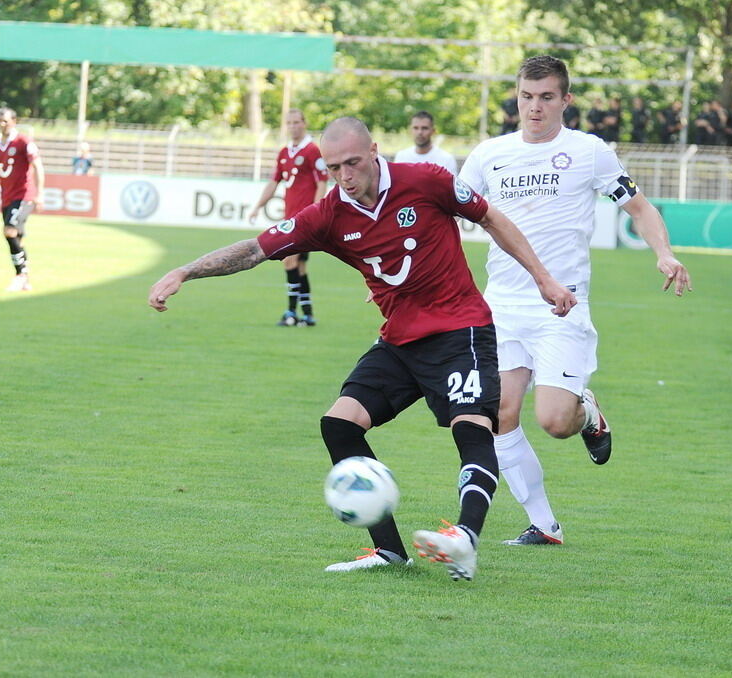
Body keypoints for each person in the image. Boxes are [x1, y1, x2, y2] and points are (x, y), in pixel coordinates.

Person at [149, 116, 577, 581]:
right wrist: (185, 271)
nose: (345, 176)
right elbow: (256, 249)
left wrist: (544, 278)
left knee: (472, 426)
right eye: (333, 168)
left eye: (352, 163)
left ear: (374, 150)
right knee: (339, 424)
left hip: (461, 330)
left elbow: (491, 217)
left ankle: (465, 540)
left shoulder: (426, 181)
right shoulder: (330, 214)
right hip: (398, 341)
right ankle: (390, 551)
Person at [460, 55, 691, 546]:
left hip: (560, 307)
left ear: (566, 99)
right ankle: (545, 525)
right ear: (516, 97)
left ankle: (586, 410)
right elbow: (449, 213)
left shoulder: (588, 152)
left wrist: (664, 253)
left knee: (555, 422)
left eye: (546, 97)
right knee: (499, 413)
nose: (535, 107)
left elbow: (638, 206)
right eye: (526, 96)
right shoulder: (487, 155)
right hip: (500, 306)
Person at [248, 109, 328, 326]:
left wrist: (316, 211)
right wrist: (258, 206)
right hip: (289, 219)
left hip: (305, 219)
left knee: (289, 260)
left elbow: (322, 183)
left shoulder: (312, 151)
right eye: (289, 123)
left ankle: (291, 313)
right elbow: (274, 182)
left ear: (304, 123)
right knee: (299, 266)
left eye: (296, 122)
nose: (293, 126)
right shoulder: (284, 152)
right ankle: (308, 314)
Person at [0, 107, 44, 292]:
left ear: (14, 121)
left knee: (9, 230)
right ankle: (25, 278)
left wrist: (40, 193)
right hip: (7, 198)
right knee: (17, 238)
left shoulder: (24, 141)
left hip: (24, 196)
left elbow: (38, 166)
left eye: (5, 120)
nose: (2, 123)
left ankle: (20, 275)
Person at [393, 110, 458, 175]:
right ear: (410, 130)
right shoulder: (401, 157)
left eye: (424, 128)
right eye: (415, 128)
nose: (420, 132)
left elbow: (451, 185)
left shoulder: (446, 159)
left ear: (433, 131)